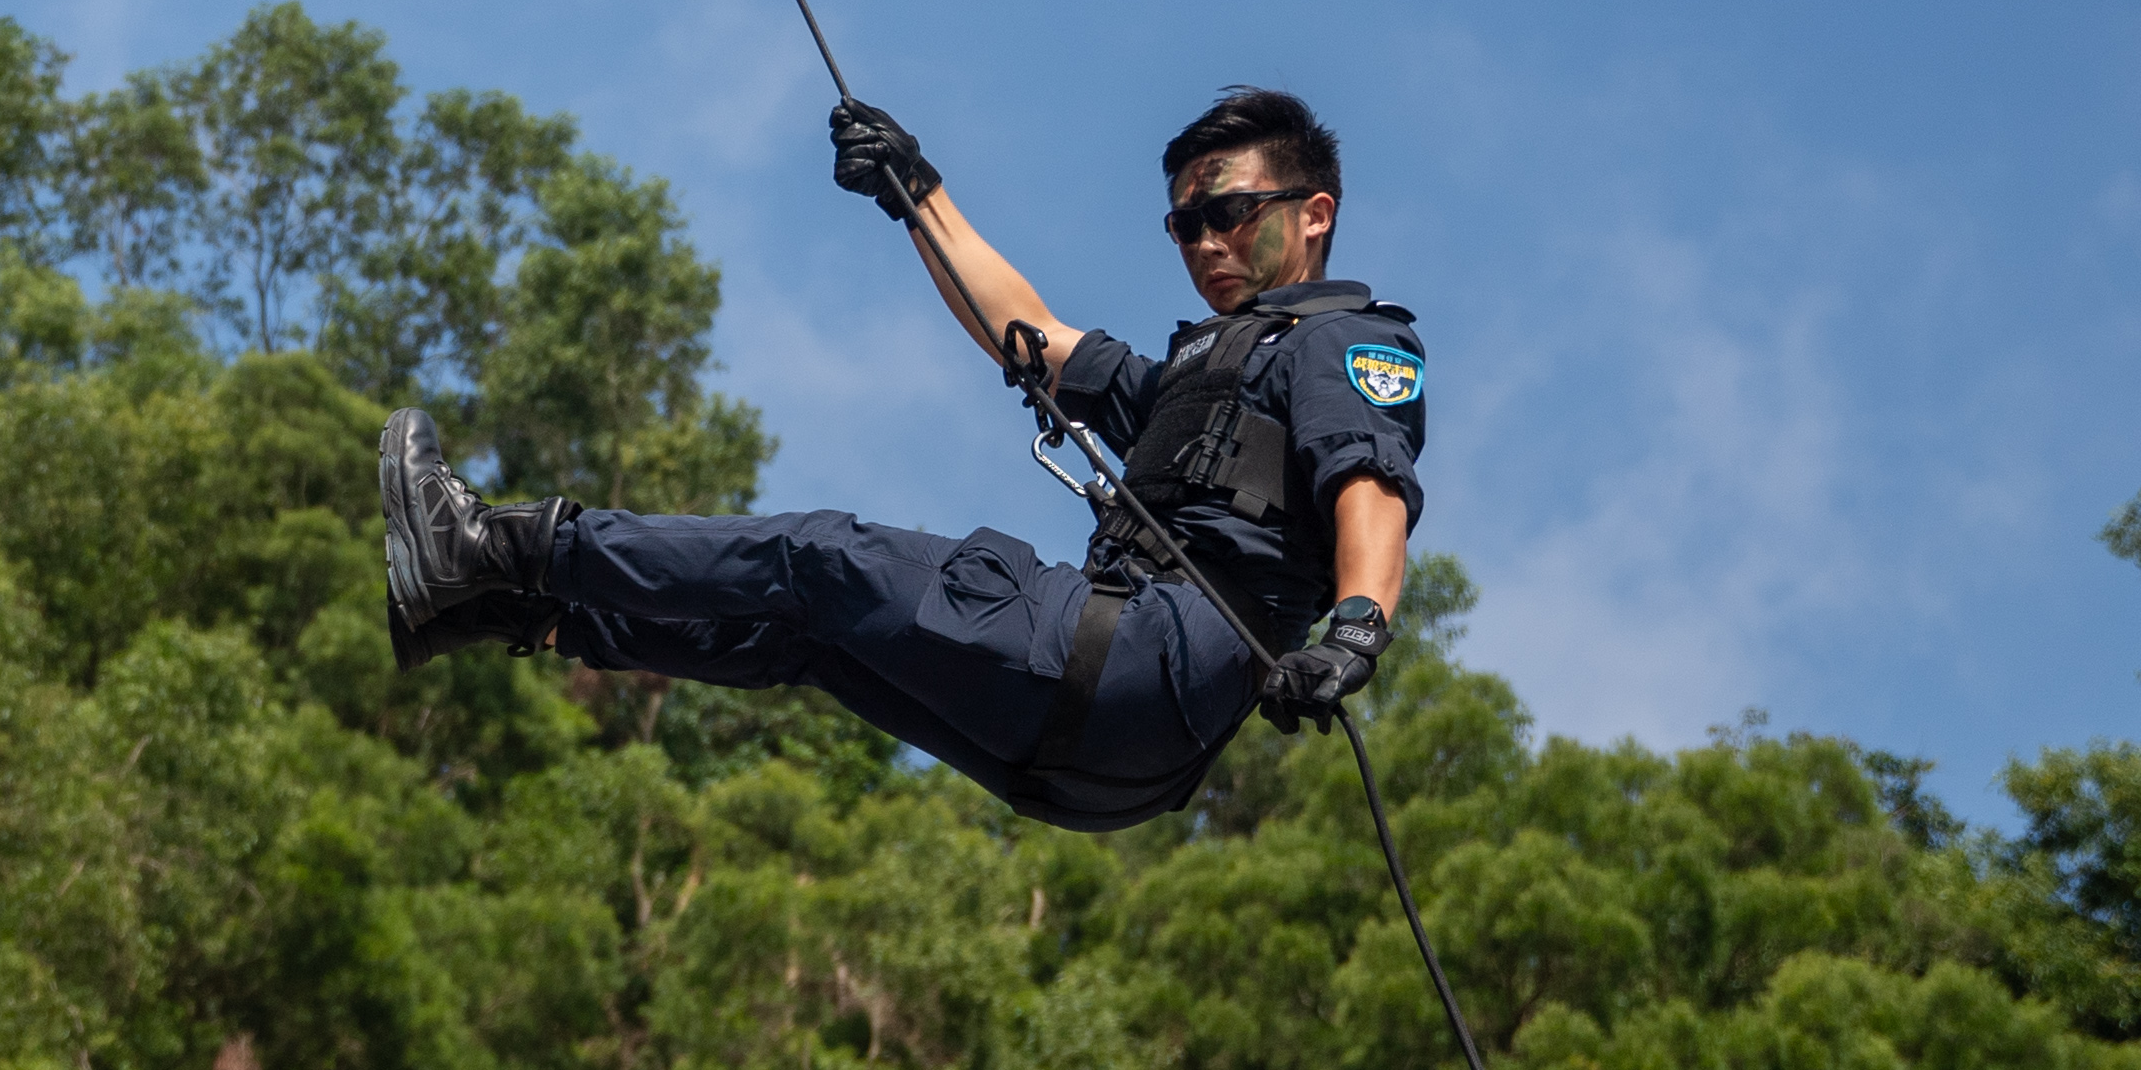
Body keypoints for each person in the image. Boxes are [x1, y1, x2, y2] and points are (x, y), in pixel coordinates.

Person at [375, 87, 1426, 830]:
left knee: (824, 558)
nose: (1203, 241)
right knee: (817, 639)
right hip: (1103, 769)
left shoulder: (1341, 340)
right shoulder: (1190, 385)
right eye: (1184, 222)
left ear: (1313, 212)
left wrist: (1359, 629)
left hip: (1144, 668)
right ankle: (522, 615)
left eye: (1229, 214)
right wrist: (916, 191)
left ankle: (494, 547)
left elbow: (1369, 485)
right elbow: (1035, 338)